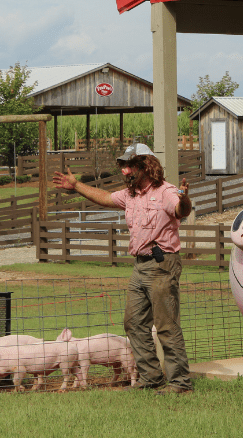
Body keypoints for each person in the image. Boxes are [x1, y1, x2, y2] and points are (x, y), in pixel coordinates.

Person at [52, 143, 194, 394]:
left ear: (145, 166)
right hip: (140, 266)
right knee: (133, 323)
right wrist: (75, 186)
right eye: (123, 166)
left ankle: (180, 383)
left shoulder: (166, 191)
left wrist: (185, 199)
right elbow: (105, 197)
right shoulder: (130, 195)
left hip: (162, 264)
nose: (125, 171)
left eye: (130, 166)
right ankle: (151, 378)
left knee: (166, 324)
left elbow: (180, 209)